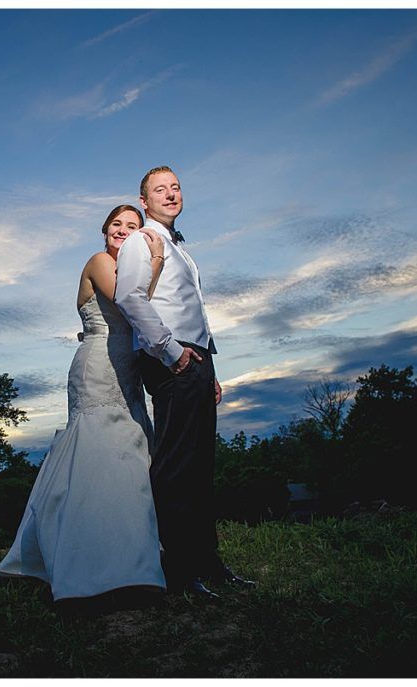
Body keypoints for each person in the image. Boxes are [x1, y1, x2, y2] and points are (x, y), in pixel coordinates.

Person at [0, 205, 168, 601]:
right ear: (104, 231)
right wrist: (156, 258)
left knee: (132, 456)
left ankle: (134, 557)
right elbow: (130, 302)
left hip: (128, 373)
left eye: (134, 227)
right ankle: (89, 563)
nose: (124, 231)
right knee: (101, 453)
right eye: (117, 225)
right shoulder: (100, 262)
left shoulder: (129, 267)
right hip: (97, 369)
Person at [114, 165, 254, 599]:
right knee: (176, 467)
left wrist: (208, 365)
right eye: (160, 189)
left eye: (175, 187)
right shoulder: (141, 241)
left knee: (201, 466)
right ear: (145, 200)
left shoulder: (181, 248)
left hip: (198, 358)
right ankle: (177, 573)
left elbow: (193, 308)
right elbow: (128, 297)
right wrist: (172, 353)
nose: (171, 194)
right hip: (171, 359)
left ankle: (207, 562)